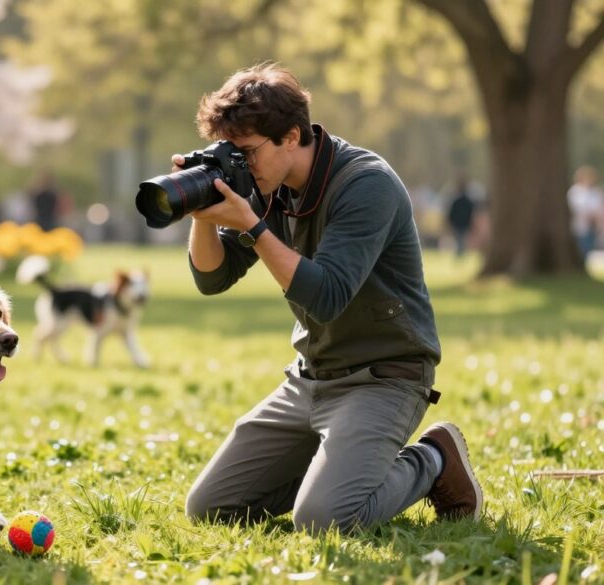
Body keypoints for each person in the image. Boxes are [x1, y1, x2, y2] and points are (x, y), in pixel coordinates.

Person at [180, 63, 481, 534]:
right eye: (230, 152)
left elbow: (327, 297)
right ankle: (334, 469)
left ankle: (433, 459)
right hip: (309, 378)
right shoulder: (262, 183)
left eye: (247, 151)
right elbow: (212, 280)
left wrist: (255, 228)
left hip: (383, 378)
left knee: (325, 520)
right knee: (210, 508)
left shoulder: (366, 184)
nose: (240, 164)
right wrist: (200, 213)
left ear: (291, 136)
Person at [567, 165, 603, 261]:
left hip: (598, 227)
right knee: (586, 249)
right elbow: (579, 209)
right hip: (583, 227)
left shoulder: (596, 191)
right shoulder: (575, 191)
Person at [446, 174, 475, 257]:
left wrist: (450, 221)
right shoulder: (467, 201)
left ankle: (460, 254)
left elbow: (451, 213)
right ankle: (460, 253)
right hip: (463, 223)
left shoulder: (456, 201)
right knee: (460, 240)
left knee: (459, 240)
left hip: (458, 223)